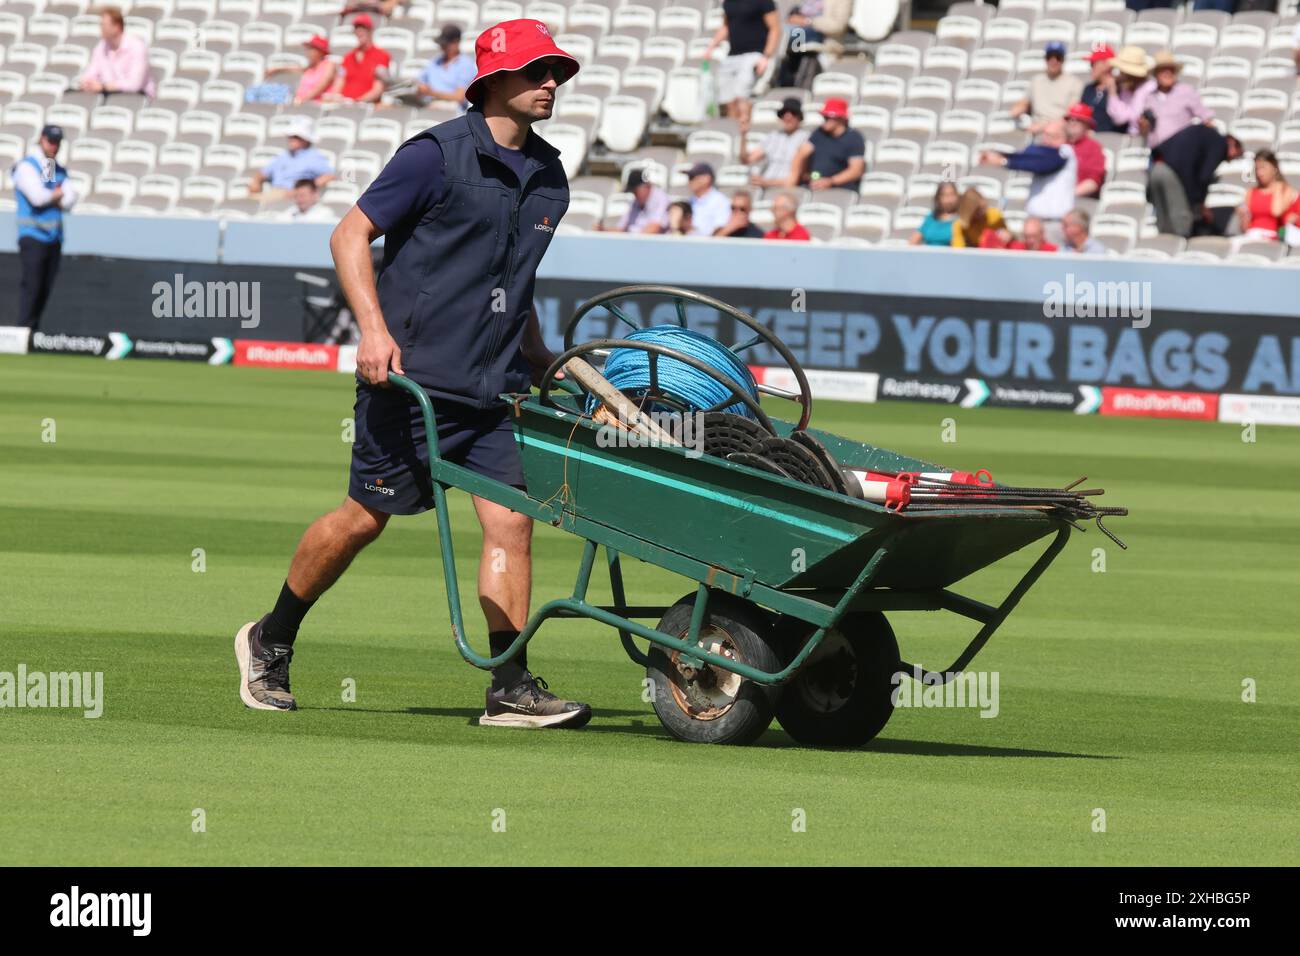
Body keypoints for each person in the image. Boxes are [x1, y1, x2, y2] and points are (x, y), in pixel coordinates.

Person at [235, 19, 593, 728]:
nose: (551, 82)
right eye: (536, 71)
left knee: (512, 524)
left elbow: (509, 284)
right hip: (410, 385)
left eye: (557, 72)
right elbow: (348, 233)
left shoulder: (550, 177)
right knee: (363, 521)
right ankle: (270, 638)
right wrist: (372, 330)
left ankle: (509, 686)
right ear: (493, 81)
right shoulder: (433, 155)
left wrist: (541, 355)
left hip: (493, 393)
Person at [11, 125, 78, 331]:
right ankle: (24, 330)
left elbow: (68, 199)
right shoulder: (27, 166)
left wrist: (54, 196)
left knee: (45, 288)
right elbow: (38, 197)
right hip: (33, 236)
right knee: (33, 285)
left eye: (57, 142)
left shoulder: (52, 167)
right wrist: (55, 196)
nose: (54, 146)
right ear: (42, 139)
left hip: (53, 237)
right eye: (51, 141)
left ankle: (33, 330)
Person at [979, 119, 1077, 245]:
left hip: (1054, 224)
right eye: (1044, 134)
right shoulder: (1044, 153)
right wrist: (1002, 156)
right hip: (1035, 223)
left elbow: (1043, 164)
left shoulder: (1065, 151)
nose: (1045, 140)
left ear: (1063, 137)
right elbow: (1027, 157)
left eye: (1050, 135)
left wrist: (1004, 161)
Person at [1148, 125, 1243, 237]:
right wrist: (1199, 204)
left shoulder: (1203, 134)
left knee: (1164, 225)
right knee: (1181, 226)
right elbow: (1204, 176)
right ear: (1231, 143)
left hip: (1155, 169)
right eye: (1236, 154)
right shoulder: (1220, 143)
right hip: (1172, 174)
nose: (1230, 160)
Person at [704, 0, 781, 134]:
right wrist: (711, 47)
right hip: (732, 55)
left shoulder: (764, 2)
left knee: (742, 98)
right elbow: (726, 26)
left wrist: (766, 56)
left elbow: (775, 28)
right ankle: (733, 134)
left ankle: (744, 136)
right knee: (727, 100)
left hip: (755, 53)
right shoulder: (728, 2)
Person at [1109, 51, 1212, 149]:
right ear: (1156, 74)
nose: (1167, 73)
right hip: (1157, 152)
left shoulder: (1186, 91)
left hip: (1181, 151)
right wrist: (1143, 126)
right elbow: (1145, 130)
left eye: (1171, 69)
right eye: (1163, 70)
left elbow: (1206, 118)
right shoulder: (1149, 97)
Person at [788, 97, 865, 191]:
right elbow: (802, 153)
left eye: (829, 117)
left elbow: (856, 171)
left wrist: (831, 181)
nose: (825, 120)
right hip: (813, 185)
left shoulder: (854, 138)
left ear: (841, 118)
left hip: (839, 189)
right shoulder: (819, 133)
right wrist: (803, 175)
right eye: (824, 117)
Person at [78, 6, 156, 99]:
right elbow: (90, 73)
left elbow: (135, 85)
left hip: (138, 98)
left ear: (117, 27)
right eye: (101, 25)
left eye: (104, 25)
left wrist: (104, 87)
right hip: (111, 96)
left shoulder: (137, 46)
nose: (101, 28)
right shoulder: (101, 47)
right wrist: (88, 84)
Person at [249, 119, 336, 197]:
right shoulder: (283, 156)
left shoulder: (313, 157)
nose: (291, 139)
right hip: (275, 193)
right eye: (290, 136)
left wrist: (303, 189)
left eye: (296, 137)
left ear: (305, 139)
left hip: (291, 197)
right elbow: (263, 173)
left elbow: (329, 176)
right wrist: (256, 181)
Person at [1010, 42, 1082, 134]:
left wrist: (1045, 126)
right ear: (1045, 59)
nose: (1053, 61)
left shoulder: (1074, 83)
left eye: (1058, 57)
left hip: (1061, 132)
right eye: (1050, 57)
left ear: (1063, 60)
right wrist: (1018, 109)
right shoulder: (1036, 81)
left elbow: (1071, 115)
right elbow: (1024, 102)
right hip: (1036, 129)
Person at [777, 0, 852, 88]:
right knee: (777, 32)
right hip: (798, 30)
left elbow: (838, 26)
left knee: (781, 35)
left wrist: (808, 21)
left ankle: (769, 68)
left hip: (820, 33)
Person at [742, 98, 810, 188]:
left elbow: (800, 176)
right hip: (765, 186)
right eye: (784, 113)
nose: (788, 117)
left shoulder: (806, 138)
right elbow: (746, 160)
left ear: (799, 117)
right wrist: (743, 135)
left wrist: (767, 183)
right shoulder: (773, 136)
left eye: (793, 113)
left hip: (788, 189)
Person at [325, 14, 390, 104]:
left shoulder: (382, 56)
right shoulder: (348, 57)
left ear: (370, 30)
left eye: (363, 28)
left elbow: (378, 89)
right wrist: (335, 97)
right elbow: (339, 82)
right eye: (357, 28)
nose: (359, 31)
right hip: (343, 104)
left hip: (365, 106)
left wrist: (357, 102)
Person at [1234, 151, 1297, 245]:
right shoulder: (1251, 192)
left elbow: (1276, 211)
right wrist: (1243, 217)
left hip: (1274, 238)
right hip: (1251, 235)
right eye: (1257, 169)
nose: (1259, 173)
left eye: (1263, 168)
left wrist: (1278, 187)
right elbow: (1244, 228)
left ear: (1274, 169)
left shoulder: (1285, 190)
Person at [416, 24, 476, 110]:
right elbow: (420, 82)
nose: (442, 48)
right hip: (428, 106)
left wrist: (431, 93)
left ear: (456, 42)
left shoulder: (466, 65)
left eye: (445, 45)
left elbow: (460, 97)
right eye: (441, 45)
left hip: (451, 110)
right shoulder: (435, 61)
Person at [600, 167, 669, 233]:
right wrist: (603, 231)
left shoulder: (661, 199)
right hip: (633, 242)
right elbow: (621, 229)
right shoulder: (634, 203)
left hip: (652, 244)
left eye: (635, 190)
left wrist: (632, 240)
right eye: (633, 191)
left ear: (646, 187)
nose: (634, 194)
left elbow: (654, 228)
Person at [1064, 103, 1106, 198]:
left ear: (1087, 125)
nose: (1072, 123)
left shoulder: (1094, 147)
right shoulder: (1058, 143)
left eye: (1078, 120)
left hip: (1081, 199)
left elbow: (1094, 181)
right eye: (1069, 119)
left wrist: (1068, 195)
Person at [283, 35, 338, 105]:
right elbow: (295, 69)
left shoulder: (329, 65)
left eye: (312, 49)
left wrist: (302, 100)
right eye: (308, 49)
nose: (308, 52)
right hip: (302, 104)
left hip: (316, 105)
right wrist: (276, 69)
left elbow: (321, 85)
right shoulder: (310, 67)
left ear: (321, 51)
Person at [1079, 44, 1120, 135]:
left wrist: (1112, 90)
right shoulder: (1088, 89)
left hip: (1111, 142)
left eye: (1093, 63)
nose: (1091, 68)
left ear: (1106, 64)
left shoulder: (1119, 89)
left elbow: (1120, 121)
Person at [910, 181, 964, 247]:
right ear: (938, 198)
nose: (948, 199)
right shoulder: (931, 218)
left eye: (952, 194)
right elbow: (913, 242)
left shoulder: (961, 219)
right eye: (944, 195)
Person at [685, 163, 731, 236]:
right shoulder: (690, 201)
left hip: (710, 245)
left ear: (707, 179)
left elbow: (720, 228)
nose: (690, 181)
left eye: (692, 177)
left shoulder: (720, 201)